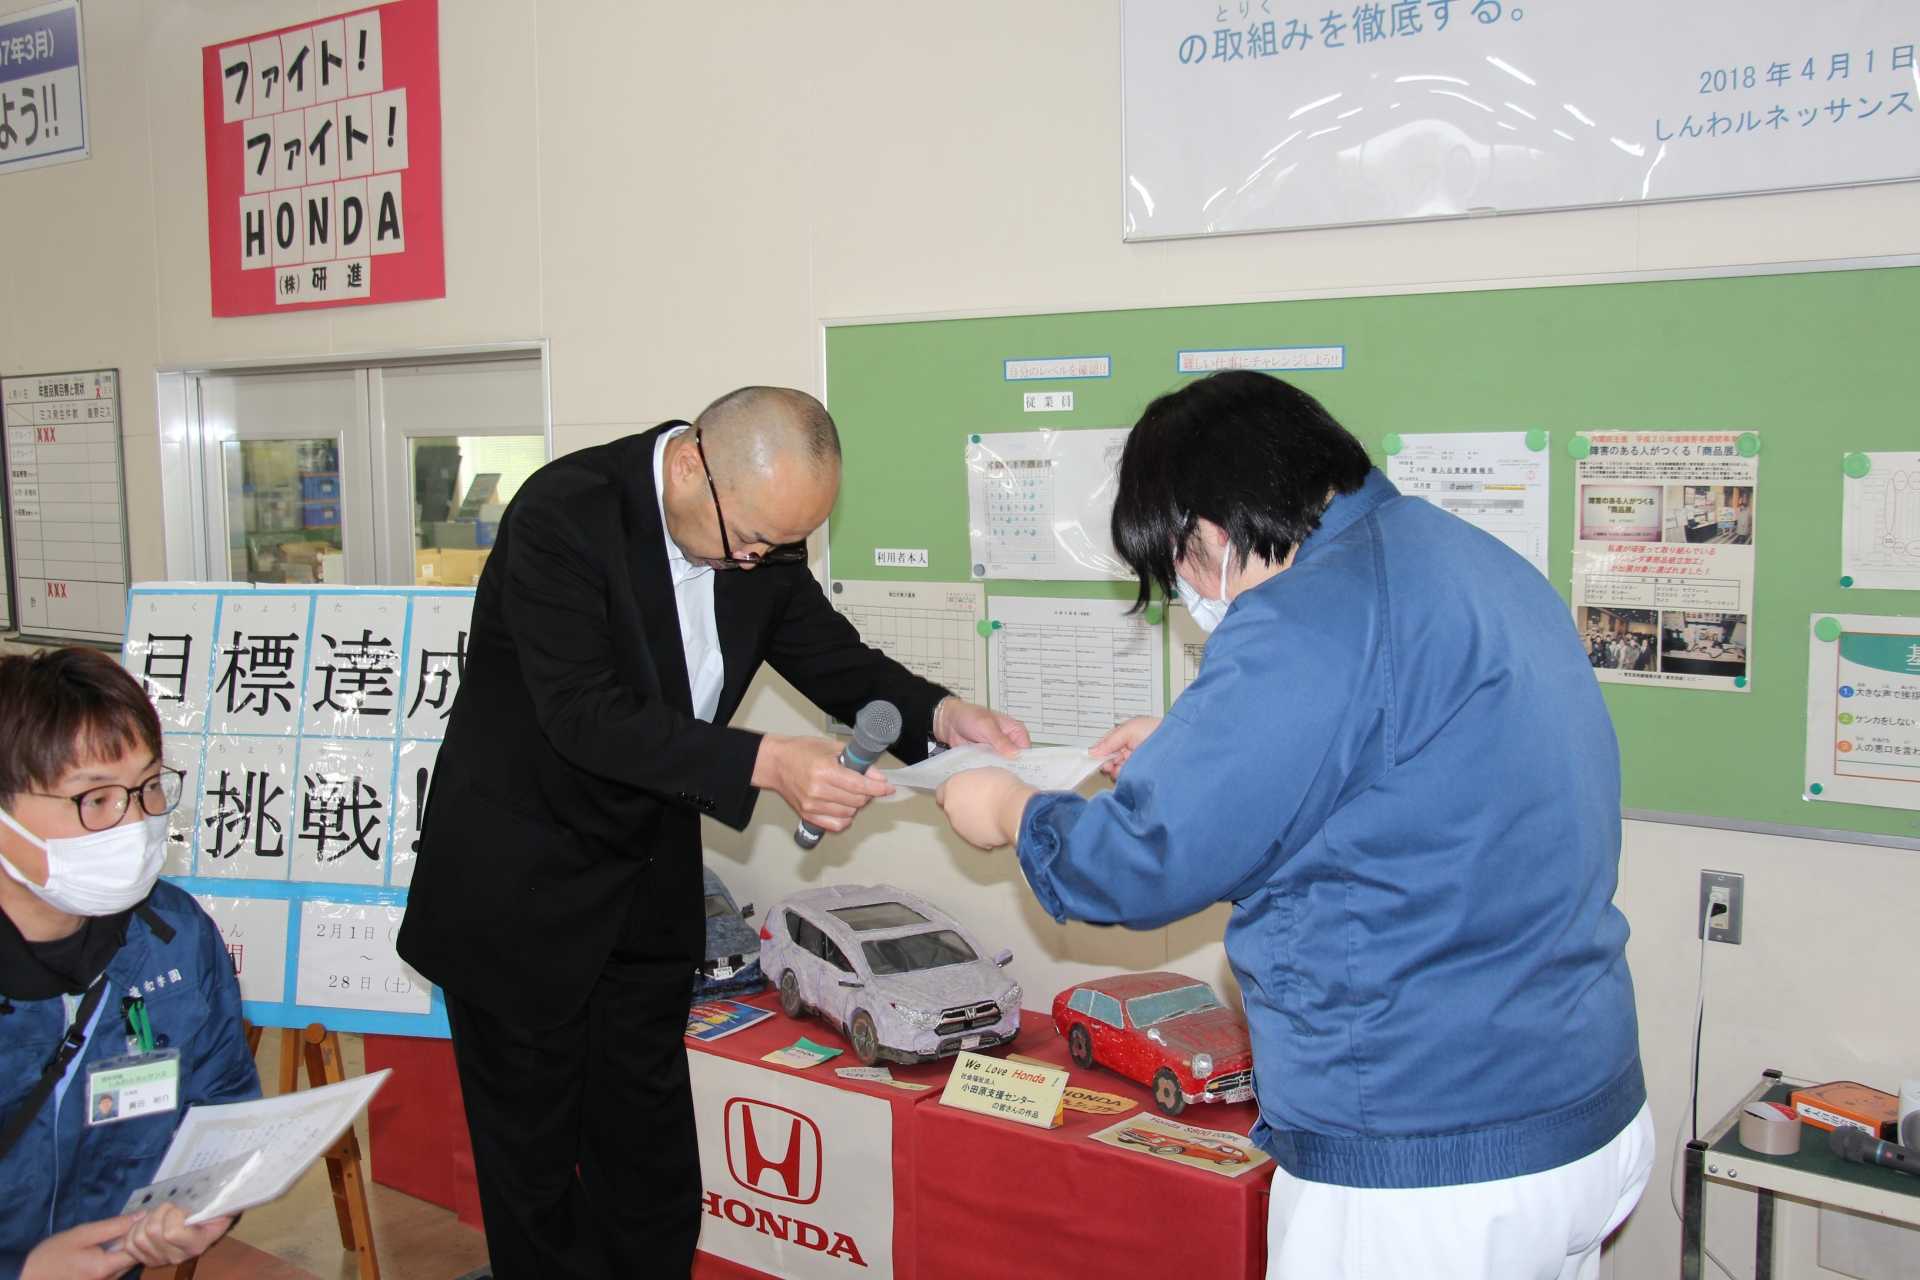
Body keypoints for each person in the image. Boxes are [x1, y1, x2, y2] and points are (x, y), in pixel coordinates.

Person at [935, 371, 1651, 1280]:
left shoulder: (1308, 615)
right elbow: (1407, 771)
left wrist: (1011, 810)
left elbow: (1144, 861)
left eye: (1179, 566)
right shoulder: (1464, 558)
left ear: (1209, 529)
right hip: (1578, 1110)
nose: (1192, 593)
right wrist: (1190, 747)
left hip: (1425, 1156)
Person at [397, 386, 1028, 1279]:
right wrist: (769, 761)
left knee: (651, 1169)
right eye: (753, 540)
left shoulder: (755, 535)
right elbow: (583, 715)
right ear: (693, 463)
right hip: (520, 892)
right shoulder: (564, 515)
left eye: (781, 547)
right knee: (534, 1182)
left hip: (643, 885)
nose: (759, 561)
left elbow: (833, 657)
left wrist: (942, 715)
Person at [0, 648, 261, 1279]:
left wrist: (206, 1206)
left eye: (147, 787)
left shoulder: (174, 935)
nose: (135, 822)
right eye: (95, 799)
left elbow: (221, 1105)